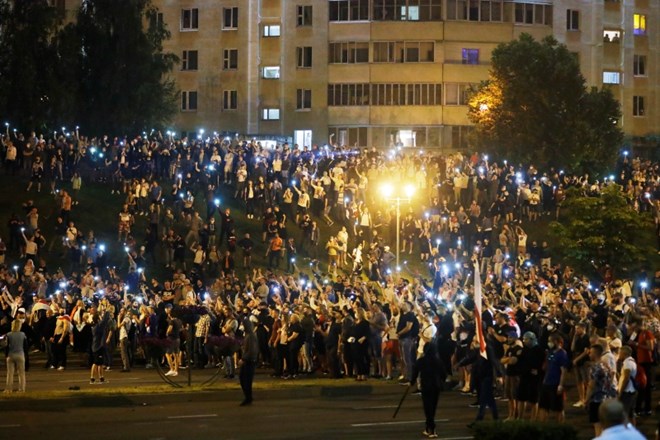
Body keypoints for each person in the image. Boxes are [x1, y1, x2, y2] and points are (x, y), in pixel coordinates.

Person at [411, 343, 444, 438]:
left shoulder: (421, 361)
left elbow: (415, 371)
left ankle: (431, 428)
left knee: (427, 408)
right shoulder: (438, 361)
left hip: (426, 386)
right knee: (433, 407)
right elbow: (443, 373)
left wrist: (412, 382)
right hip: (436, 386)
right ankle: (428, 426)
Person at [538, 333, 568, 422]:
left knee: (558, 408)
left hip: (555, 384)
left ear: (557, 342)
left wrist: (561, 385)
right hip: (546, 382)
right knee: (543, 406)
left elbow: (564, 371)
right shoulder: (550, 352)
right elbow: (546, 367)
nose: (549, 343)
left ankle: (560, 426)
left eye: (551, 341)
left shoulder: (562, 354)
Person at [239, 316, 259, 406]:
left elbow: (251, 350)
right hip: (247, 360)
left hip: (249, 361)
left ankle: (248, 397)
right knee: (243, 379)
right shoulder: (248, 335)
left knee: (246, 380)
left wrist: (244, 359)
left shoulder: (251, 336)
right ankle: (248, 397)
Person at [4, 318, 27, 393]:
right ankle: (21, 389)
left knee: (10, 373)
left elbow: (6, 346)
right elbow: (25, 345)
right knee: (21, 373)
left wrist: (6, 355)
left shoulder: (9, 334)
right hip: (20, 354)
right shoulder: (23, 334)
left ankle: (8, 389)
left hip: (11, 354)